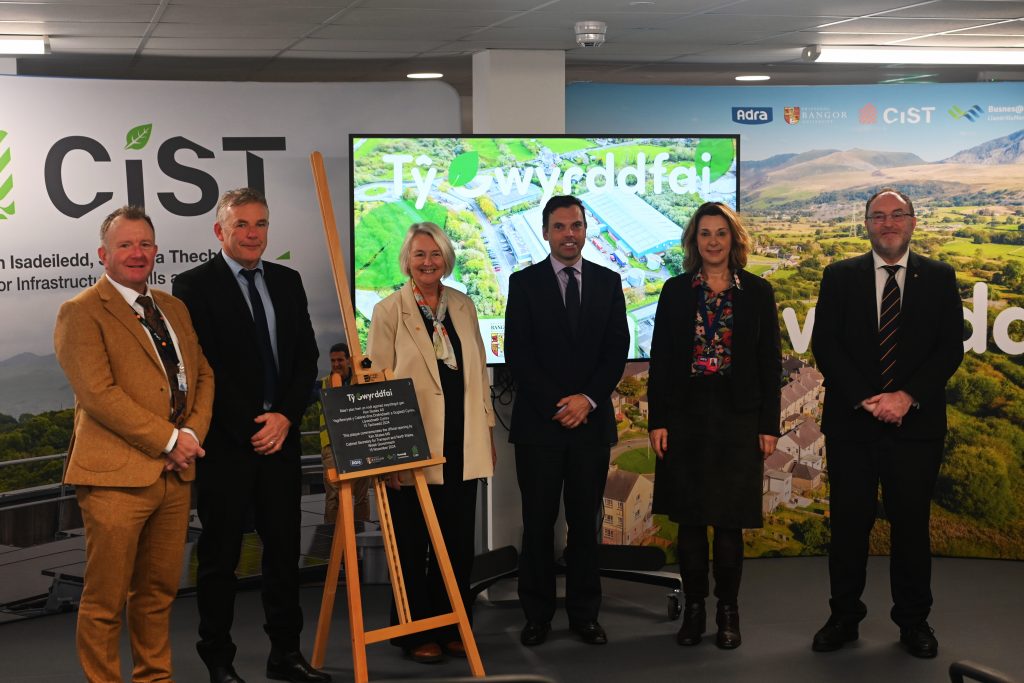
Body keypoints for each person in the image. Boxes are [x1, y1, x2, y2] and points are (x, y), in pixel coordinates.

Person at [172, 188, 327, 683]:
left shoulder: (287, 280)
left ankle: (286, 655)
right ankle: (219, 661)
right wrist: (251, 425)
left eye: (260, 224)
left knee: (284, 553)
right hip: (228, 446)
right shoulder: (193, 286)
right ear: (220, 230)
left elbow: (306, 358)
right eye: (241, 225)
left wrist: (284, 416)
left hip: (280, 441)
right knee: (220, 559)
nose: (253, 233)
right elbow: (203, 366)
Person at [54, 206, 214, 682]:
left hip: (173, 474)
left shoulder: (174, 307)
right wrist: (169, 439)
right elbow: (99, 396)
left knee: (157, 593)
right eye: (125, 245)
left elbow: (203, 375)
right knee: (105, 599)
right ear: (104, 254)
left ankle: (154, 678)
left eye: (145, 243)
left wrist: (190, 437)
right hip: (114, 480)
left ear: (156, 250)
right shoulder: (81, 312)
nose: (137, 253)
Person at [810, 188, 964, 659]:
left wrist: (906, 397)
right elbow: (827, 346)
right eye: (879, 216)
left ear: (913, 222)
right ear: (867, 224)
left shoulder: (939, 277)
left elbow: (948, 348)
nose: (888, 223)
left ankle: (914, 622)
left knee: (912, 529)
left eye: (897, 215)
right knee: (848, 528)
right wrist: (868, 400)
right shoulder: (839, 276)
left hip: (915, 428)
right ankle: (843, 617)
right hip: (853, 426)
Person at [647, 202, 782, 650]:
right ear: (694, 241)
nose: (713, 241)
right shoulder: (675, 291)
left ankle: (728, 611)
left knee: (728, 522)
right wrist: (658, 420)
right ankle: (695, 610)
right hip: (685, 416)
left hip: (738, 417)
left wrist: (769, 425)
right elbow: (662, 362)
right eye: (704, 233)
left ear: (733, 238)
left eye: (720, 232)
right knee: (688, 522)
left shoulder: (758, 292)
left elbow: (769, 363)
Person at [365, 222, 496, 664]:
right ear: (407, 259)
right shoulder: (388, 311)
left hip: (463, 442)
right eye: (420, 254)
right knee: (412, 541)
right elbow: (377, 385)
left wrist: (487, 432)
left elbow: (478, 375)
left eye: (435, 254)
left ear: (447, 259)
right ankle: (414, 631)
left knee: (457, 542)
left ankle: (454, 623)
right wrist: (388, 457)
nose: (428, 262)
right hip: (412, 445)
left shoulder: (463, 305)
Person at [504, 195, 629, 647]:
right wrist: (560, 405)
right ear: (546, 232)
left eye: (576, 225)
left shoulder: (608, 281)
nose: (569, 234)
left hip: (591, 426)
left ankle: (584, 614)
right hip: (540, 427)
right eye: (560, 227)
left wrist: (588, 401)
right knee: (538, 525)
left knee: (584, 524)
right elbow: (518, 354)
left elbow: (616, 351)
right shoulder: (523, 283)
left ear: (585, 229)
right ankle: (536, 614)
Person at [319, 342, 370, 527]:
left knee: (361, 495)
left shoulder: (360, 382)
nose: (336, 364)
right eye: (333, 361)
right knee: (334, 495)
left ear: (349, 360)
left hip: (360, 445)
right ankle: (333, 538)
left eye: (340, 360)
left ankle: (362, 535)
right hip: (332, 447)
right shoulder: (323, 384)